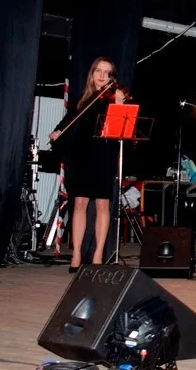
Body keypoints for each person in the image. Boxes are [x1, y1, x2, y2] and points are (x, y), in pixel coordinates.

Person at [49, 57, 127, 272]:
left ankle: (98, 254)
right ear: (92, 74)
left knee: (102, 205)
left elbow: (120, 128)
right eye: (98, 71)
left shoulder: (114, 97)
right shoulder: (82, 99)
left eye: (107, 73)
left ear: (112, 78)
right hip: (81, 156)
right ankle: (76, 255)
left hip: (104, 155)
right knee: (80, 203)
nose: (102, 76)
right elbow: (68, 121)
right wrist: (57, 131)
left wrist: (119, 105)